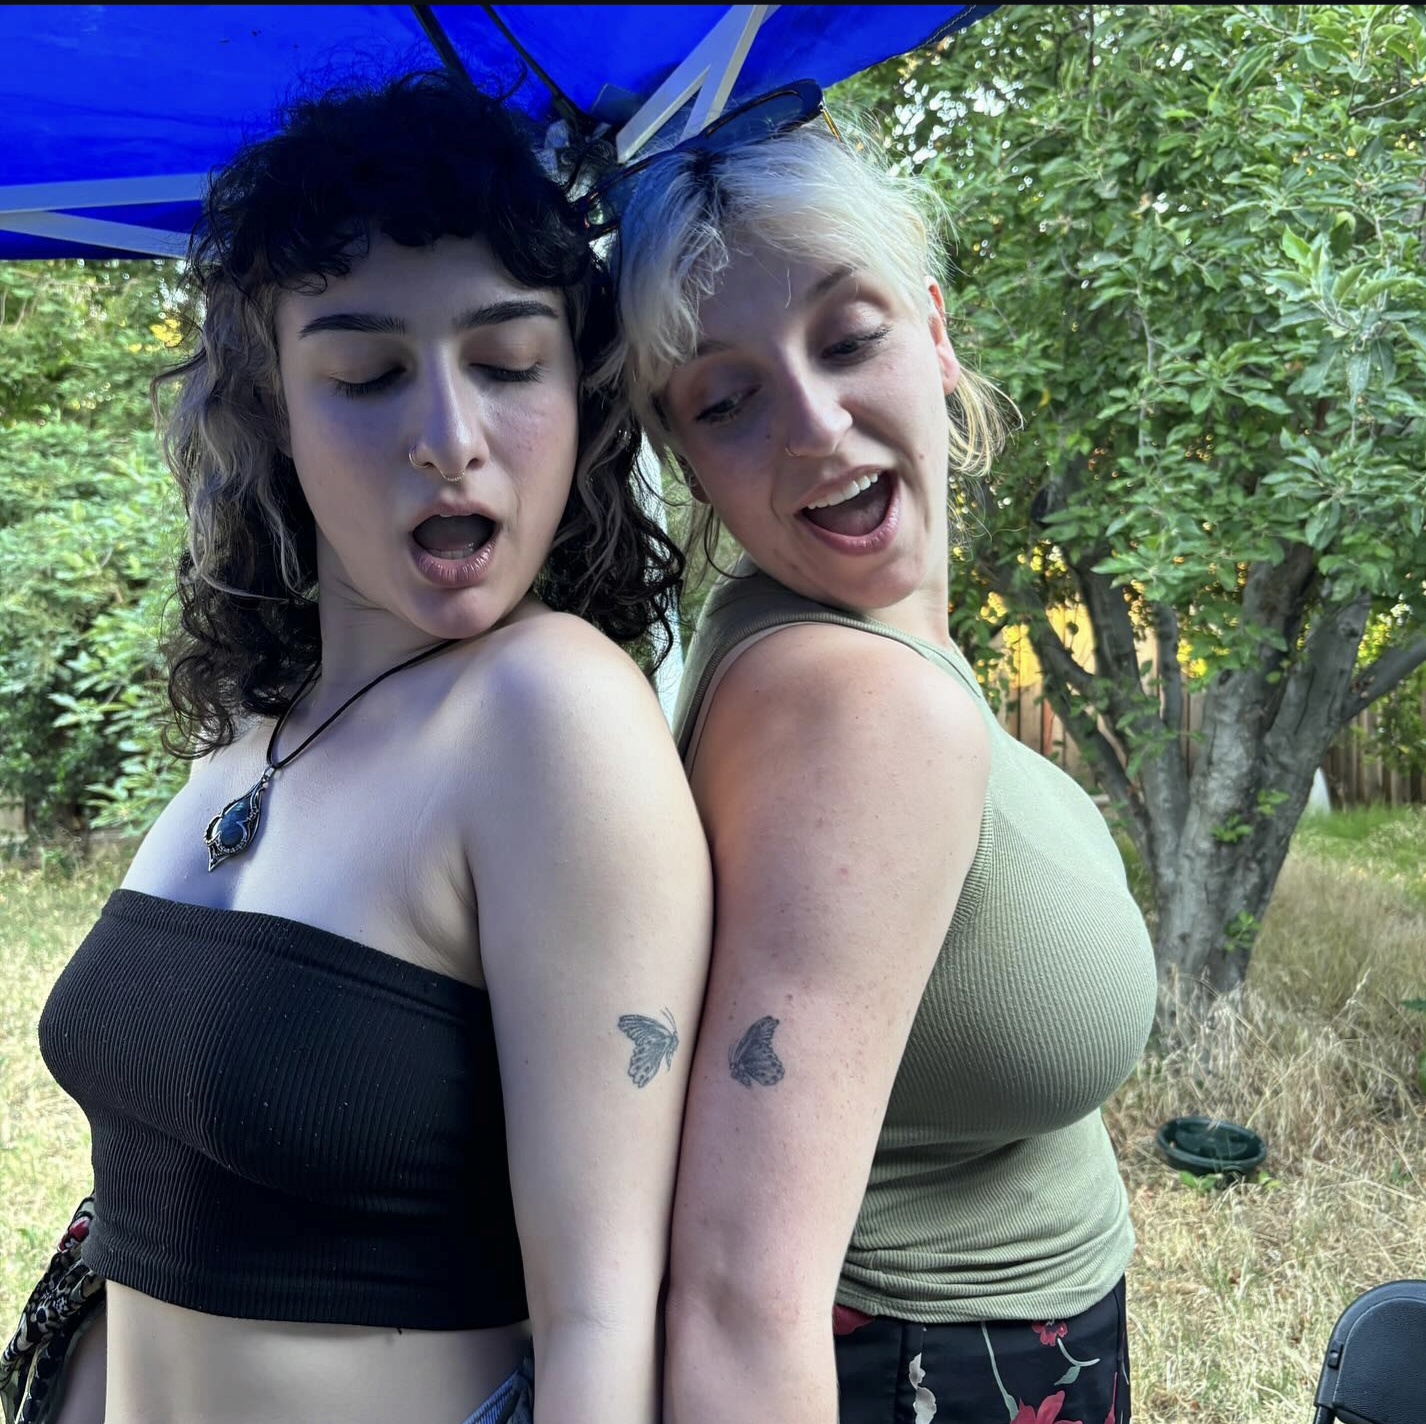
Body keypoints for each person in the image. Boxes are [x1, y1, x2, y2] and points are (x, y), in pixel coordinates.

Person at [16, 70, 712, 1424]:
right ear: (274, 407)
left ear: (580, 395)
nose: (449, 440)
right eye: (367, 375)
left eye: (506, 365)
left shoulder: (548, 712)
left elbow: (599, 1325)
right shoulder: (258, 726)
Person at [603, 83, 1158, 1424]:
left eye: (848, 338)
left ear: (936, 334)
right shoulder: (855, 708)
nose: (814, 424)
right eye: (726, 401)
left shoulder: (827, 642)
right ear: (685, 458)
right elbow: (739, 1301)